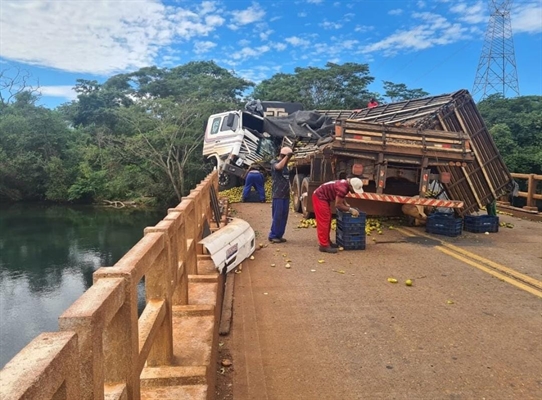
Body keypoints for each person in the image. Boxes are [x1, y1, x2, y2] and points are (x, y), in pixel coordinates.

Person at [312, 177, 364, 253]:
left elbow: (339, 195)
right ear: (350, 186)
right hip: (319, 197)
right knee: (324, 221)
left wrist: (345, 204)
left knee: (328, 219)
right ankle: (323, 245)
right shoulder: (343, 188)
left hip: (323, 197)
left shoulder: (344, 184)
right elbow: (338, 205)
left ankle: (327, 242)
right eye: (354, 190)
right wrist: (350, 209)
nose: (354, 192)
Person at [268, 146, 293, 243]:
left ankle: (279, 235)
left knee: (284, 216)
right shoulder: (274, 162)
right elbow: (278, 167)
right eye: (287, 157)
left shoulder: (286, 166)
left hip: (285, 195)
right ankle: (273, 235)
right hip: (278, 194)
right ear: (282, 156)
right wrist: (287, 157)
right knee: (277, 216)